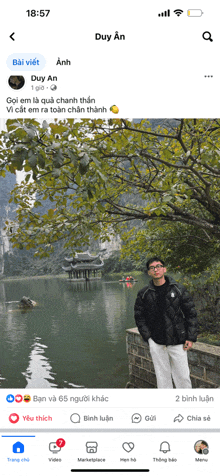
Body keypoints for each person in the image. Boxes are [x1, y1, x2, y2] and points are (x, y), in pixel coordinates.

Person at [134, 256, 198, 388]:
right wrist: (148, 338)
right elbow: (139, 317)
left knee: (183, 377)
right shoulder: (144, 293)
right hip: (156, 342)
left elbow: (191, 314)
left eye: (158, 266)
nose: (155, 270)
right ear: (149, 272)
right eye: (152, 268)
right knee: (162, 378)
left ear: (164, 269)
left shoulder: (178, 289)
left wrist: (190, 337)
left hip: (178, 340)